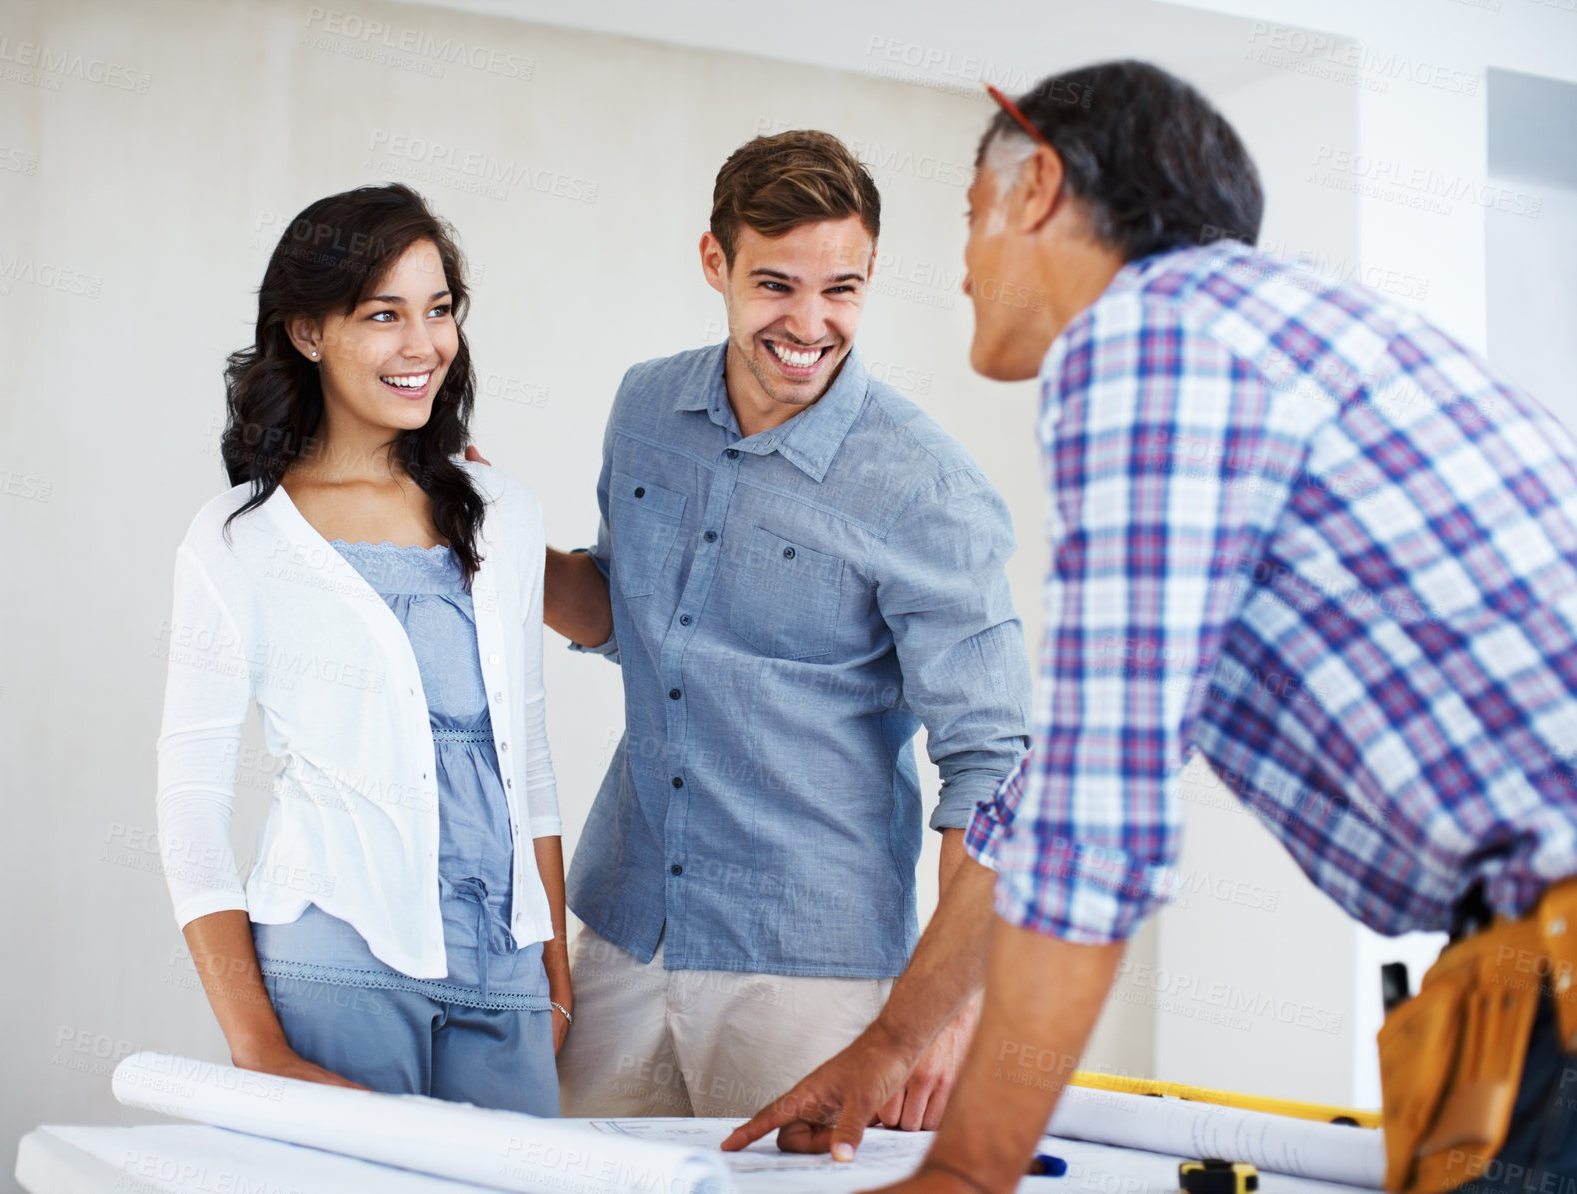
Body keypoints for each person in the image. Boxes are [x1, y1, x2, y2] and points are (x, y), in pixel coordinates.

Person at [724, 60, 1577, 1194]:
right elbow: (1054, 792)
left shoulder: (1150, 334)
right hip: (1516, 962)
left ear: (1035, 189)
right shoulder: (1279, 337)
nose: (968, 271)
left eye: (971, 220)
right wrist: (890, 1048)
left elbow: (1099, 827)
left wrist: (967, 1173)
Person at [532, 129, 1033, 1122]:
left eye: (841, 288)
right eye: (776, 285)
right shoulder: (645, 407)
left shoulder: (925, 487)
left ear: (872, 273)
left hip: (809, 971)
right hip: (629, 922)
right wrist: (487, 534)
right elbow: (621, 611)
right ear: (715, 262)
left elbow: (995, 766)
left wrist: (947, 1009)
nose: (809, 322)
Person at [154, 183, 570, 1115]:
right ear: (308, 332)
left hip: (505, 971)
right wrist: (255, 1043)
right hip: (335, 966)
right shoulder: (239, 538)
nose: (421, 345)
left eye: (438, 310)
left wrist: (556, 970)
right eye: (384, 315)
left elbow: (525, 759)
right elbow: (190, 804)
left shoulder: (504, 515)